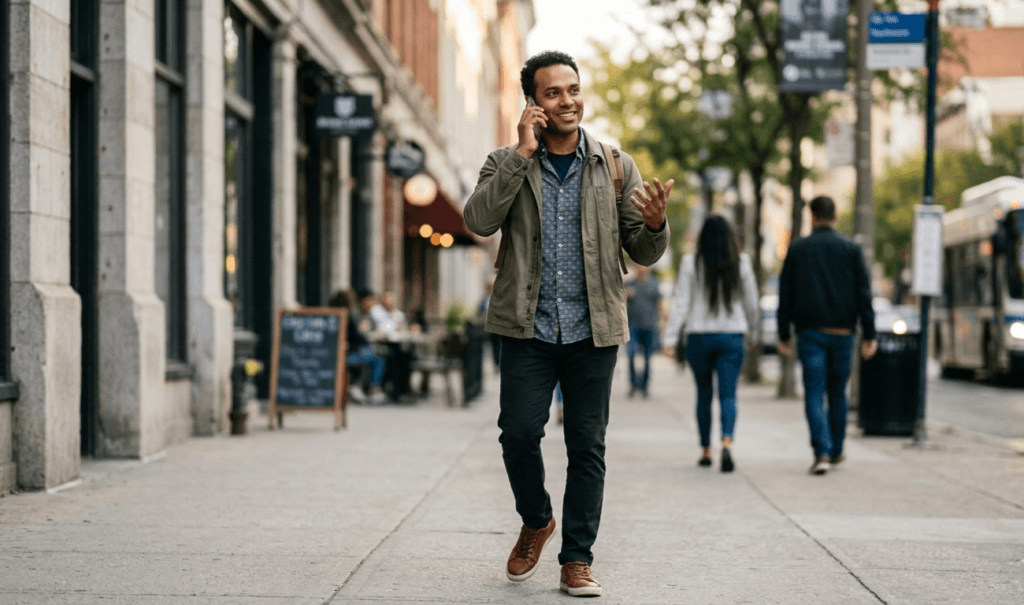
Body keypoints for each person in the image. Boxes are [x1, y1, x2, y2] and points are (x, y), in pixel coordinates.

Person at [463, 50, 672, 597]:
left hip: (593, 330)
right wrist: (520, 154)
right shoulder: (504, 161)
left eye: (573, 89)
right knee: (518, 434)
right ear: (533, 103)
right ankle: (536, 521)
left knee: (587, 446)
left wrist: (655, 225)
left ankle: (576, 558)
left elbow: (643, 251)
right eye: (553, 93)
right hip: (527, 329)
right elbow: (479, 220)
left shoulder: (615, 165)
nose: (568, 101)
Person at [776, 196, 878, 476]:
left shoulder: (797, 249)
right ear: (834, 216)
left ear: (812, 217)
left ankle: (821, 451)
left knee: (814, 392)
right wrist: (869, 333)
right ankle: (836, 450)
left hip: (810, 333)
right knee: (838, 393)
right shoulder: (851, 250)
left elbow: (786, 294)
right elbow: (863, 294)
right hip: (844, 333)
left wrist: (784, 332)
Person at [662, 215, 759, 473]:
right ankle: (726, 444)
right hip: (732, 336)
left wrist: (670, 338)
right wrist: (754, 333)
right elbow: (751, 303)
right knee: (728, 394)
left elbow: (682, 302)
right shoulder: (742, 263)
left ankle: (706, 449)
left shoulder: (691, 263)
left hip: (699, 336)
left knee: (703, 395)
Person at [330, 290, 387, 405]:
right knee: (377, 359)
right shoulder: (348, 316)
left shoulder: (331, 315)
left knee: (369, 354)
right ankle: (373, 390)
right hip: (346, 355)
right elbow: (357, 337)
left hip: (334, 353)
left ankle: (358, 386)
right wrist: (370, 337)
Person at [625, 263, 662, 398]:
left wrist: (662, 321)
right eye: (637, 267)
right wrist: (625, 296)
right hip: (632, 326)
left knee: (647, 358)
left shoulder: (654, 283)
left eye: (642, 266)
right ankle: (633, 384)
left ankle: (645, 386)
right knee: (631, 354)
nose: (640, 269)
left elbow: (659, 303)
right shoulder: (630, 285)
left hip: (650, 326)